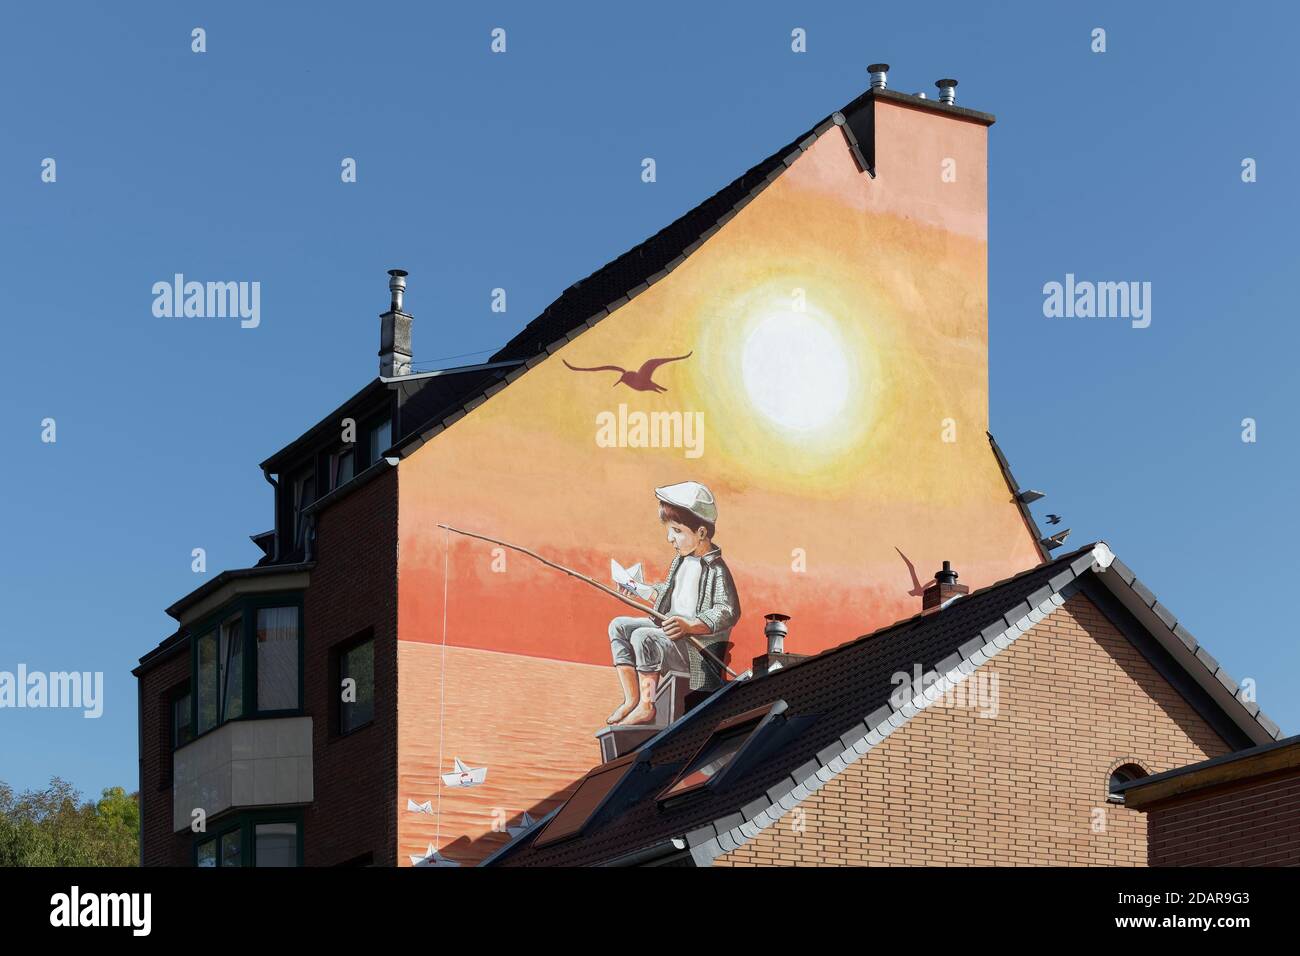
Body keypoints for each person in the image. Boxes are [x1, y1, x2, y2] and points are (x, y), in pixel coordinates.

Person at [607, 481, 741, 726]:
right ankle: (631, 699)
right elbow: (667, 594)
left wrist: (690, 625)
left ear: (701, 532)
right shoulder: (679, 563)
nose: (670, 538)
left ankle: (647, 705)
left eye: (677, 531)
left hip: (696, 652)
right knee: (618, 626)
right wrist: (636, 588)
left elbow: (727, 611)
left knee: (644, 638)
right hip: (672, 639)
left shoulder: (716, 570)